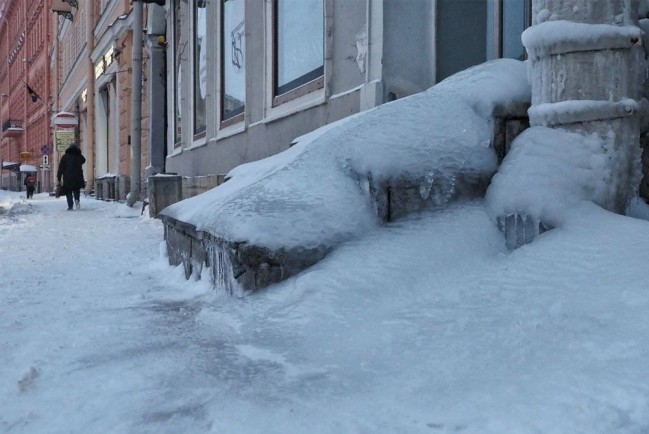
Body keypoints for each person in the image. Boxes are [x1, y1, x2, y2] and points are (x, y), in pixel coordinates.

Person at [57, 143, 86, 211]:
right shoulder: (79, 156)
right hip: (77, 177)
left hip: (67, 177)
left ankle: (70, 206)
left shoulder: (65, 156)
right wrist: (78, 153)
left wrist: (59, 176)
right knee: (76, 190)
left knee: (68, 191)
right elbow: (83, 160)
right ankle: (77, 200)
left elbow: (61, 167)